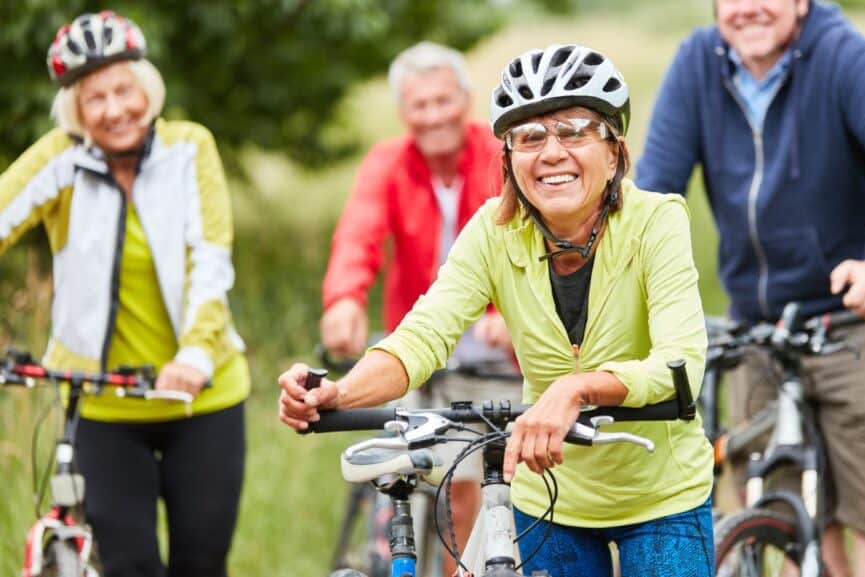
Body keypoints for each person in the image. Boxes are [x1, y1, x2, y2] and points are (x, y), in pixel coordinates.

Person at [282, 44, 715, 577]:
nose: (551, 152)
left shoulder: (656, 222)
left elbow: (680, 366)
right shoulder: (494, 230)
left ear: (614, 150)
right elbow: (422, 337)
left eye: (574, 129)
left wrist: (575, 388)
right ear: (509, 159)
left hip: (660, 496)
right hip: (550, 497)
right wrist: (340, 392)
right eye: (530, 137)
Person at [635, 1, 865, 576]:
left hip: (858, 323)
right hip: (760, 329)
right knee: (783, 521)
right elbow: (653, 194)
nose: (750, 8)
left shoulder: (840, 55)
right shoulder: (696, 65)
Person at [0, 12, 248, 577]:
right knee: (128, 566)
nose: (114, 110)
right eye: (94, 99)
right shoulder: (61, 157)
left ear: (148, 89)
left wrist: (195, 353)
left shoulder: (190, 149)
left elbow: (211, 258)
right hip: (103, 401)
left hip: (201, 396)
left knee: (200, 563)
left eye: (124, 90)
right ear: (75, 111)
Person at [318, 41, 520, 575]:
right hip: (420, 343)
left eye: (442, 101)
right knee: (430, 479)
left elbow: (525, 237)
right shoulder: (388, 162)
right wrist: (343, 301)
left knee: (495, 487)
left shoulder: (500, 154)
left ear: (466, 100)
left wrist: (510, 316)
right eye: (419, 105)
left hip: (504, 354)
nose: (432, 116)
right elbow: (358, 235)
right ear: (403, 112)